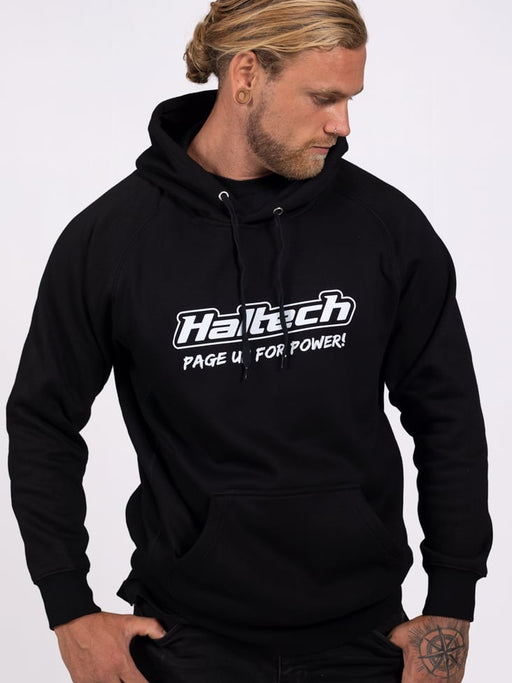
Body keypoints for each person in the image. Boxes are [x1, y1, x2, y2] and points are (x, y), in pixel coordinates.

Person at [7, 1, 492, 681]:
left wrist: (451, 603)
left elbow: (448, 417)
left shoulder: (387, 228)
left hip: (365, 638)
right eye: (323, 98)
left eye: (349, 99)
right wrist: (68, 607)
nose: (343, 124)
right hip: (185, 642)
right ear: (246, 76)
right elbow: (42, 420)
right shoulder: (113, 240)